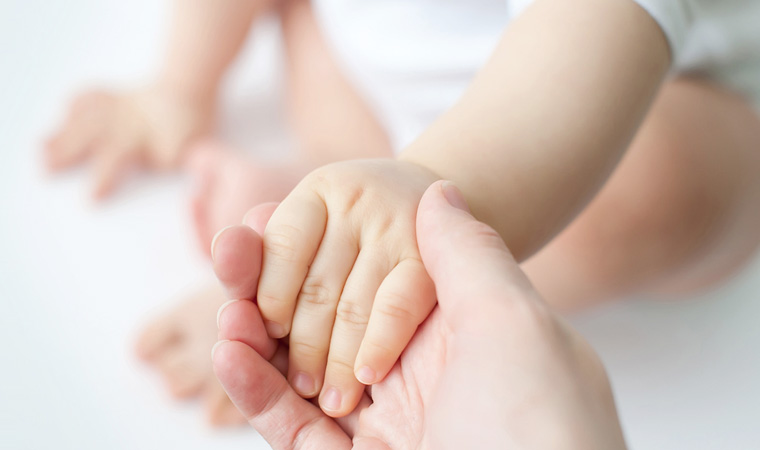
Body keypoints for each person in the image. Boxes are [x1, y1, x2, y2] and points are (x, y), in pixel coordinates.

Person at [240, 0, 760, 418]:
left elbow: (586, 31)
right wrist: (182, 83)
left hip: (608, 101)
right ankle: (328, 215)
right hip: (386, 75)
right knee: (308, 35)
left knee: (654, 188)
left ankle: (339, 283)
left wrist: (423, 185)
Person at [210, 180, 628, 449]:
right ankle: (321, 251)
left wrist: (419, 173)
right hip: (393, 92)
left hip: (534, 152)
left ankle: (327, 266)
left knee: (647, 190)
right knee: (319, 80)